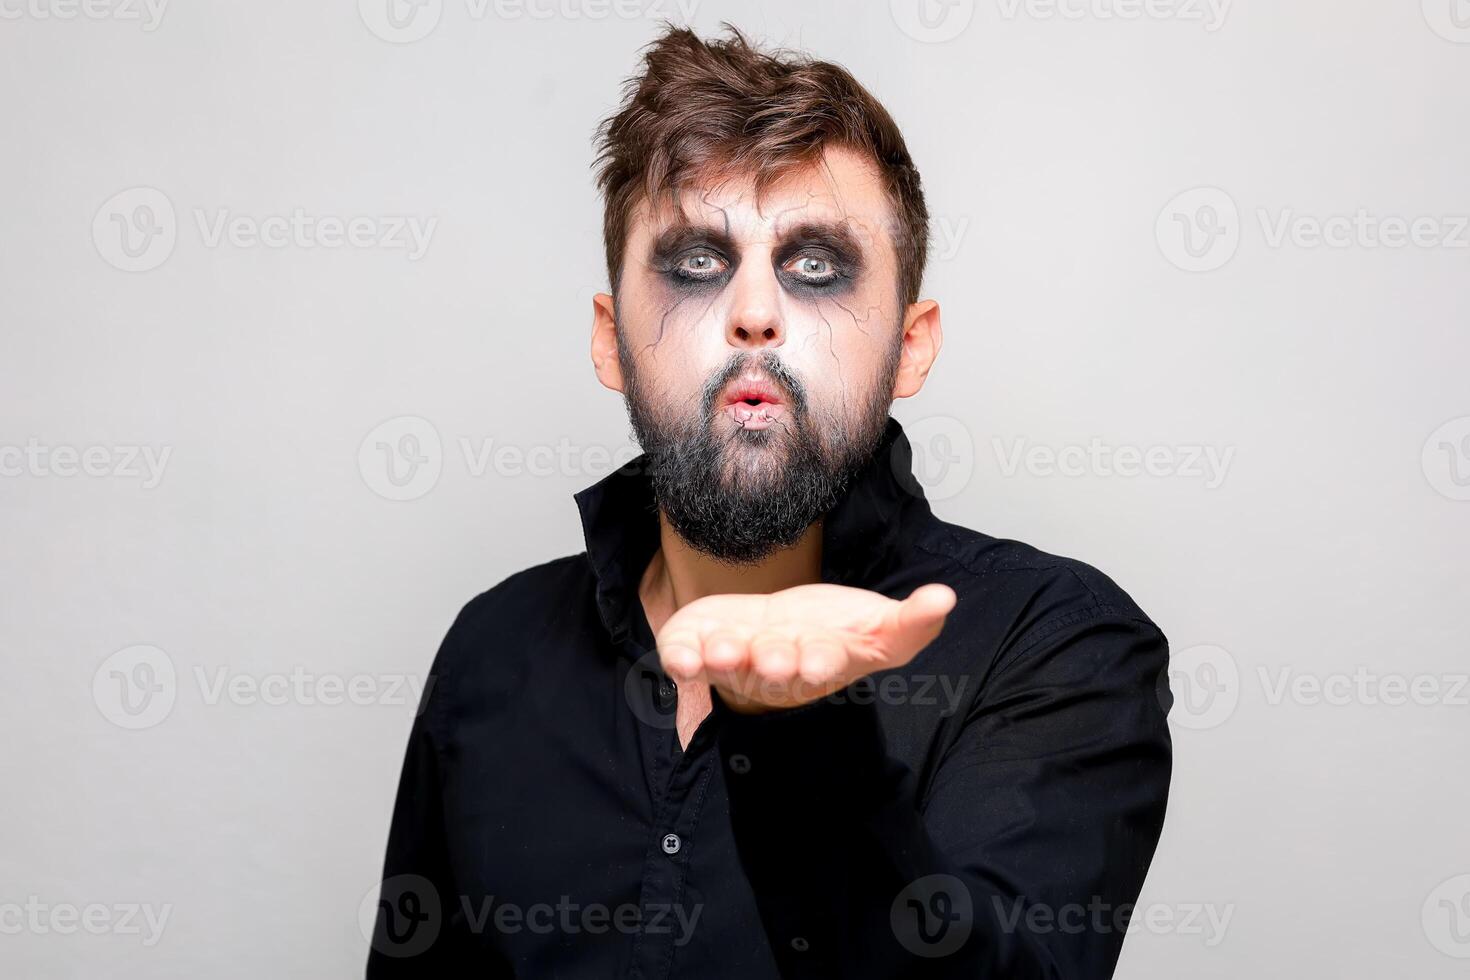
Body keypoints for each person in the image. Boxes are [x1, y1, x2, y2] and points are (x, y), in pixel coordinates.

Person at [367, 22, 1171, 979]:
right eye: (697, 263)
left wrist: (805, 732)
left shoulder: (1058, 646)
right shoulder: (491, 652)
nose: (756, 312)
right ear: (611, 339)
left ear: (909, 348)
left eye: (817, 266)